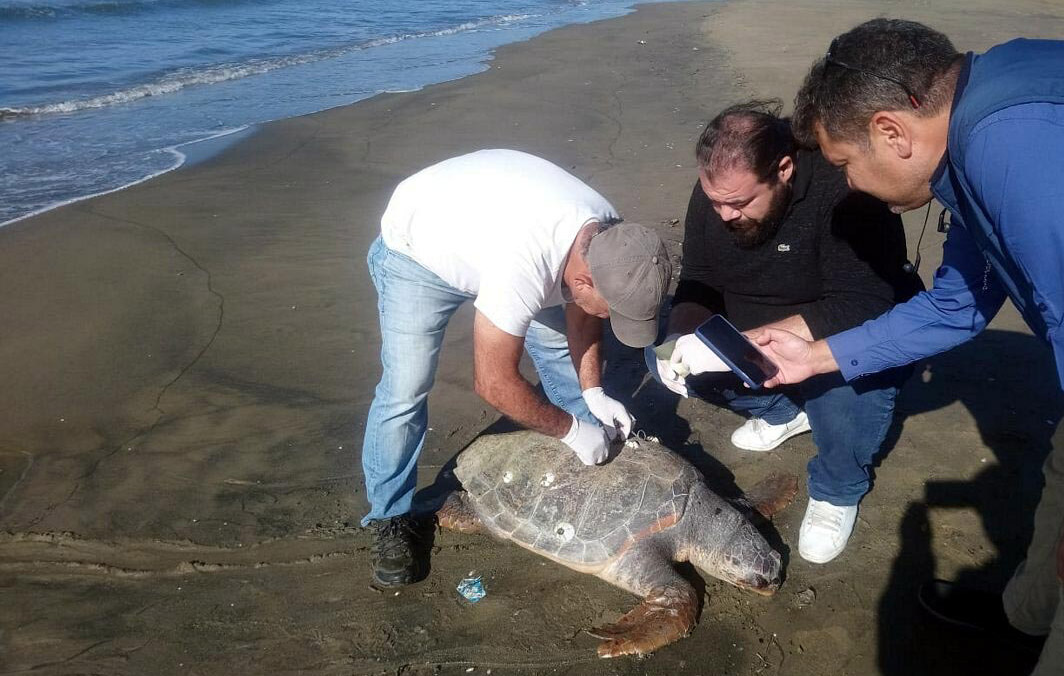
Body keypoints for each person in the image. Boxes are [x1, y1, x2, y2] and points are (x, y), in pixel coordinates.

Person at [758, 19, 1064, 675]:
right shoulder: (971, 135)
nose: (849, 185)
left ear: (891, 132)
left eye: (846, 165)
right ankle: (1026, 620)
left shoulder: (1014, 140)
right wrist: (814, 357)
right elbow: (957, 305)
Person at [362, 149, 671, 588]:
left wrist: (593, 393)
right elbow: (493, 383)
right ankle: (389, 516)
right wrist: (569, 430)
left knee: (563, 352)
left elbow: (585, 315)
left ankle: (592, 455)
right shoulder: (524, 264)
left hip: (495, 236)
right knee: (405, 389)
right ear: (581, 280)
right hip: (418, 250)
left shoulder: (612, 243)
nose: (610, 320)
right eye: (613, 312)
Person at [647, 101, 923, 564]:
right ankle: (784, 412)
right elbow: (699, 277)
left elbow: (863, 302)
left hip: (844, 335)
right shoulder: (717, 196)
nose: (724, 215)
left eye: (737, 203)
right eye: (714, 200)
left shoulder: (847, 192)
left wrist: (757, 341)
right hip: (755, 330)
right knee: (665, 360)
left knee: (845, 398)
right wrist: (685, 335)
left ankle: (838, 489)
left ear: (784, 169)